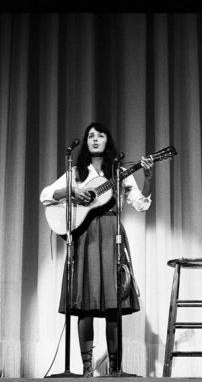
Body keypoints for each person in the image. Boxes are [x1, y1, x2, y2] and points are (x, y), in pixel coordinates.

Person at [40, 122, 154, 377]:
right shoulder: (78, 173)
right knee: (86, 303)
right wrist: (70, 190)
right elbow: (45, 195)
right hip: (85, 236)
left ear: (107, 141)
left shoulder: (119, 171)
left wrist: (147, 179)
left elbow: (140, 204)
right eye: (90, 135)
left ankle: (115, 369)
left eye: (100, 135)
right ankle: (87, 369)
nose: (94, 139)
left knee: (113, 302)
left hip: (111, 234)